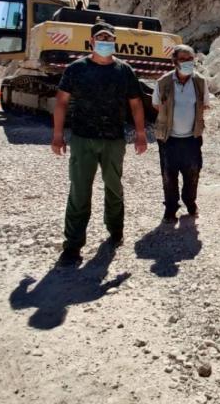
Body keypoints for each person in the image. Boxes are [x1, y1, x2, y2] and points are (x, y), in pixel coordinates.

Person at [52, 22, 148, 267]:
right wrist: (57, 134)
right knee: (79, 191)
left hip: (114, 140)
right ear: (92, 42)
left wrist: (140, 133)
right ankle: (72, 246)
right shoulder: (76, 69)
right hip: (83, 139)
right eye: (101, 37)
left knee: (114, 188)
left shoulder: (123, 70)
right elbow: (62, 102)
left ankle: (116, 231)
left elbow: (135, 103)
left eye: (109, 37)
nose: (105, 41)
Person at [152, 44, 209, 224]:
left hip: (192, 138)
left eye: (190, 59)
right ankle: (171, 207)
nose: (187, 63)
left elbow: (205, 104)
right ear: (174, 61)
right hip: (169, 138)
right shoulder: (163, 82)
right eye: (183, 59)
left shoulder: (200, 82)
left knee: (193, 172)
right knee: (169, 174)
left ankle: (190, 202)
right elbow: (156, 104)